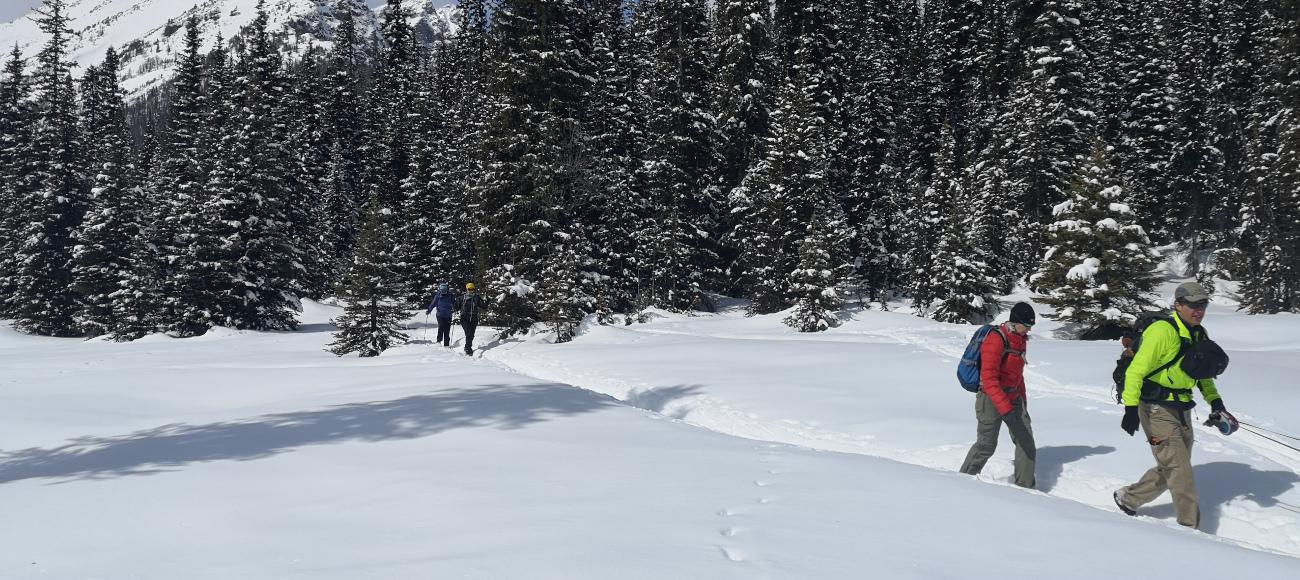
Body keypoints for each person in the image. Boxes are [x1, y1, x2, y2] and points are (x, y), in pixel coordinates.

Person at [1114, 282, 1230, 529]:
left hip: (1183, 407)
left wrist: (1215, 401)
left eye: (1203, 305)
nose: (1199, 310)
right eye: (1193, 305)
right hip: (1156, 408)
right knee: (1181, 471)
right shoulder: (1161, 331)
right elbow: (1136, 371)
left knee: (1174, 466)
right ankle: (1189, 531)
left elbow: (1203, 373)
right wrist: (1131, 409)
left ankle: (1128, 498)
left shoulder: (1199, 333)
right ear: (1178, 304)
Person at [959, 302, 1037, 488]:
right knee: (986, 446)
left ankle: (1025, 491)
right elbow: (989, 379)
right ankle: (961, 483)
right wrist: (1005, 408)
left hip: (1013, 397)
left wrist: (1022, 403)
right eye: (1026, 326)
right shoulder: (996, 339)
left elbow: (1018, 376)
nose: (1028, 330)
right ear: (1015, 321)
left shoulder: (1020, 339)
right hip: (990, 398)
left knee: (1026, 443)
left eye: (1030, 327)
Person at [425, 283, 456, 348]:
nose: (443, 292)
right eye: (442, 290)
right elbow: (433, 304)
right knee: (441, 327)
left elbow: (454, 303)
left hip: (448, 315)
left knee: (447, 329)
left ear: (447, 290)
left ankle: (446, 344)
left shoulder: (450, 296)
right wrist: (429, 310)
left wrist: (455, 308)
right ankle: (439, 341)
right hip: (440, 315)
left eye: (444, 290)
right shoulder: (438, 296)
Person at [459, 282, 485, 355]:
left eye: (472, 289)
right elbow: (457, 305)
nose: (471, 291)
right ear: (466, 289)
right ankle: (468, 348)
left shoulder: (476, 297)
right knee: (468, 333)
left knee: (472, 334)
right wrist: (454, 307)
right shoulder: (462, 297)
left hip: (474, 318)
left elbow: (483, 306)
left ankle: (467, 347)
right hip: (464, 318)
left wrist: (487, 300)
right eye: (469, 289)